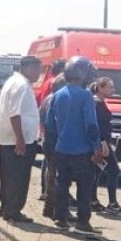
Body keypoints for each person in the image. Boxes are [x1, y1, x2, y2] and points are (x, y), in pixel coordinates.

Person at [46, 56, 101, 233]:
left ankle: (60, 218)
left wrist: (51, 148)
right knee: (84, 186)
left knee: (62, 184)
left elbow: (49, 124)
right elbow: (91, 125)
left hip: (61, 149)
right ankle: (82, 222)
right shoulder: (85, 95)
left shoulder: (57, 95)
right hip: (82, 150)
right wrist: (96, 147)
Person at [0, 56, 42, 223]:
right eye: (38, 69)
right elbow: (15, 113)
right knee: (19, 177)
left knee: (8, 176)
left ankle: (6, 207)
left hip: (9, 138)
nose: (39, 74)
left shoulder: (13, 81)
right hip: (19, 140)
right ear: (28, 68)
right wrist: (20, 139)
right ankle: (13, 210)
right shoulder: (21, 85)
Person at [90, 77, 121, 213]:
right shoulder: (97, 103)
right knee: (113, 169)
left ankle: (94, 200)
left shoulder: (100, 102)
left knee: (98, 170)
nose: (113, 90)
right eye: (110, 87)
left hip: (104, 140)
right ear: (100, 88)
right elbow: (97, 125)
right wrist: (101, 143)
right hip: (102, 142)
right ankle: (111, 202)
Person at [39, 74, 66, 214]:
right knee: (58, 175)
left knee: (51, 173)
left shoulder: (47, 99)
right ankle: (57, 208)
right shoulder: (55, 100)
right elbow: (54, 122)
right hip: (55, 141)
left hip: (48, 140)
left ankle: (49, 207)